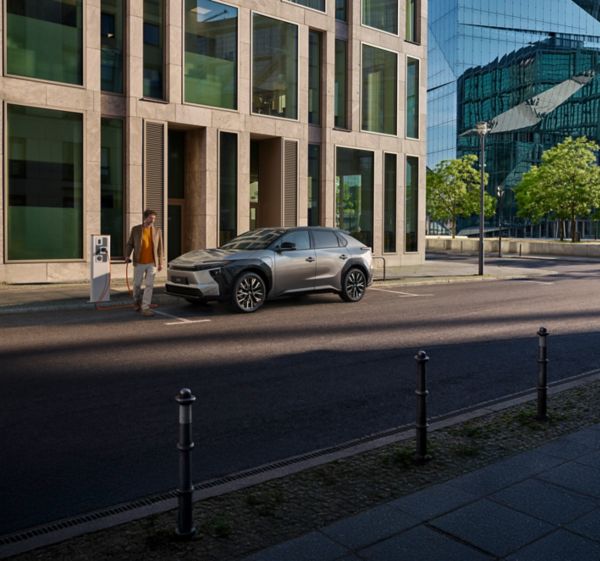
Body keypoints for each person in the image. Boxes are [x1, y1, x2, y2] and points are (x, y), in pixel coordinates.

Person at [126, 209, 164, 317]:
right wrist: (127, 255)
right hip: (139, 262)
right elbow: (130, 244)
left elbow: (160, 249)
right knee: (137, 285)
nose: (152, 220)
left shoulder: (157, 231)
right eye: (151, 218)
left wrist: (160, 263)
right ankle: (136, 302)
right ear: (145, 218)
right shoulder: (136, 229)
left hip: (152, 263)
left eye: (154, 219)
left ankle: (145, 307)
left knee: (149, 285)